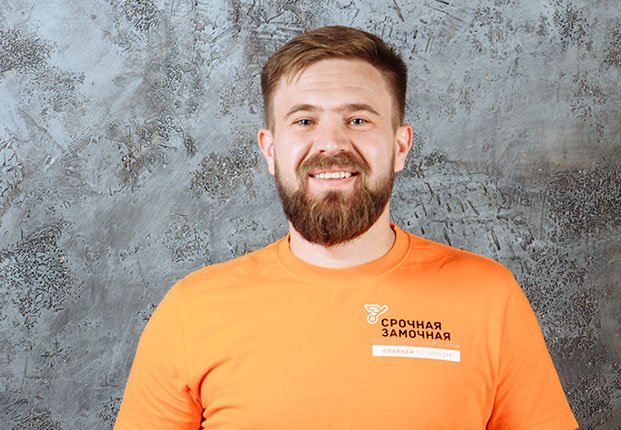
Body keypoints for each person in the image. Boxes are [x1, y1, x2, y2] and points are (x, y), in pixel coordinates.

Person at [115, 26, 578, 429]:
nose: (331, 143)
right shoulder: (192, 311)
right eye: (305, 120)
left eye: (358, 119)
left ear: (400, 145)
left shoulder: (489, 296)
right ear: (270, 149)